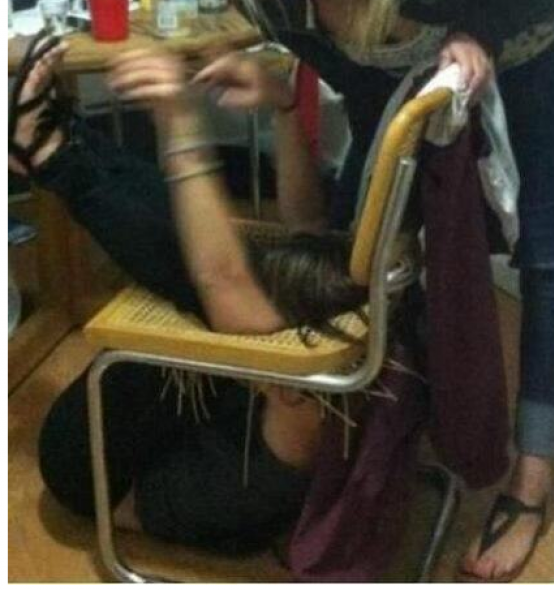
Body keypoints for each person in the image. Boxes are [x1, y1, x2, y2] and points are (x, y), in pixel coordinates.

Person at [195, 0, 554, 581]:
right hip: (411, 72)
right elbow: (355, 75)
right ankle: (372, 430)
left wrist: (479, 29)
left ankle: (530, 480)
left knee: (546, 256)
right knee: (358, 237)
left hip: (538, 46)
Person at [8, 33, 367, 554]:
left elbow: (222, 283)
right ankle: (51, 146)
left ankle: (48, 150)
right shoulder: (350, 307)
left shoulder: (249, 469)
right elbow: (307, 226)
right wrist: (285, 107)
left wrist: (182, 124)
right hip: (197, 419)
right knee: (215, 255)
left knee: (203, 270)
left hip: (92, 470)